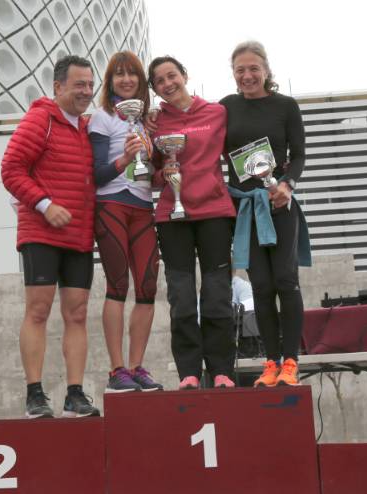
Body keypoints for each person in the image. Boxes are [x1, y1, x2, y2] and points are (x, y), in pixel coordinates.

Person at [1, 55, 100, 418]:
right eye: (78, 85)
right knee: (38, 310)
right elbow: (11, 169)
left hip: (79, 235)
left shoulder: (89, 127)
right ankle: (34, 395)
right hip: (41, 232)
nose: (86, 92)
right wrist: (45, 205)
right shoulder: (40, 118)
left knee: (78, 314)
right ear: (58, 87)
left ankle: (75, 394)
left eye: (90, 85)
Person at [220, 40, 311, 387]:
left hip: (278, 204)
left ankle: (291, 361)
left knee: (285, 281)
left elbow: (298, 155)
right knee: (260, 285)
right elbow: (200, 129)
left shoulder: (286, 106)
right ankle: (270, 363)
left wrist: (287, 184)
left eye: (253, 68)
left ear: (266, 70)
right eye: (240, 70)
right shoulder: (226, 107)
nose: (247, 75)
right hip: (244, 208)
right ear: (233, 73)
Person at [147, 56, 237, 390]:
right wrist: (164, 174)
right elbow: (149, 175)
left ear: (185, 75)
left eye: (172, 75)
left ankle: (222, 370)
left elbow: (236, 153)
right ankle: (189, 372)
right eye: (159, 81)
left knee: (217, 293)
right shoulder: (153, 123)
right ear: (154, 89)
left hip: (214, 213)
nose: (168, 83)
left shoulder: (217, 113)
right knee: (181, 297)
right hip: (173, 218)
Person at [87, 51, 162, 393]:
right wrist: (125, 158)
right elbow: (97, 174)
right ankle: (117, 369)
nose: (126, 79)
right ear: (110, 81)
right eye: (119, 74)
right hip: (112, 204)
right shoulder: (102, 117)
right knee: (117, 285)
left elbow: (154, 170)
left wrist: (162, 165)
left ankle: (137, 366)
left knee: (147, 287)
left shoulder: (147, 120)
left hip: (143, 206)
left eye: (132, 74)